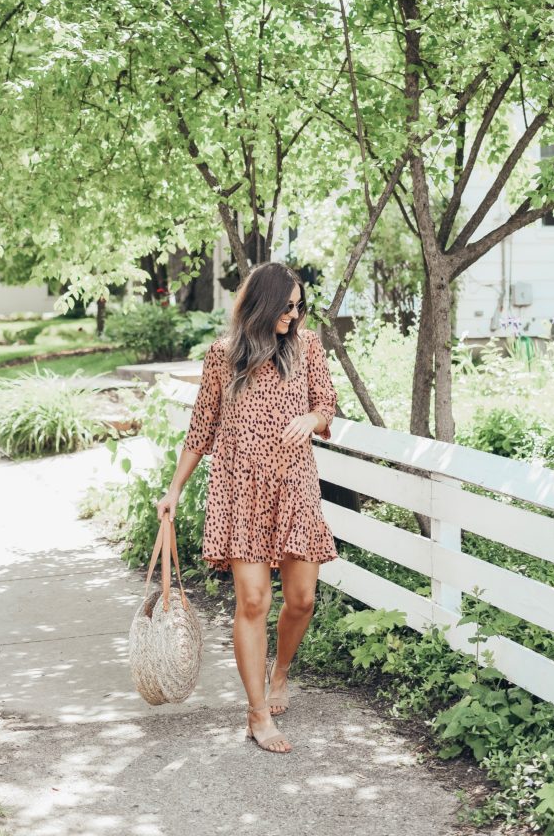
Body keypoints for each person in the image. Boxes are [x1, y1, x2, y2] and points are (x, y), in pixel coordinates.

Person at [156, 261, 338, 753]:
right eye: (287, 307)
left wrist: (311, 418)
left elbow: (327, 404)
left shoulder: (308, 347)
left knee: (301, 600)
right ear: (262, 305)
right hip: (239, 490)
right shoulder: (223, 357)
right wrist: (174, 489)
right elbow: (201, 428)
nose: (294, 316)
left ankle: (281, 671)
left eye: (299, 307)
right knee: (254, 602)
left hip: (295, 487)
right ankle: (257, 714)